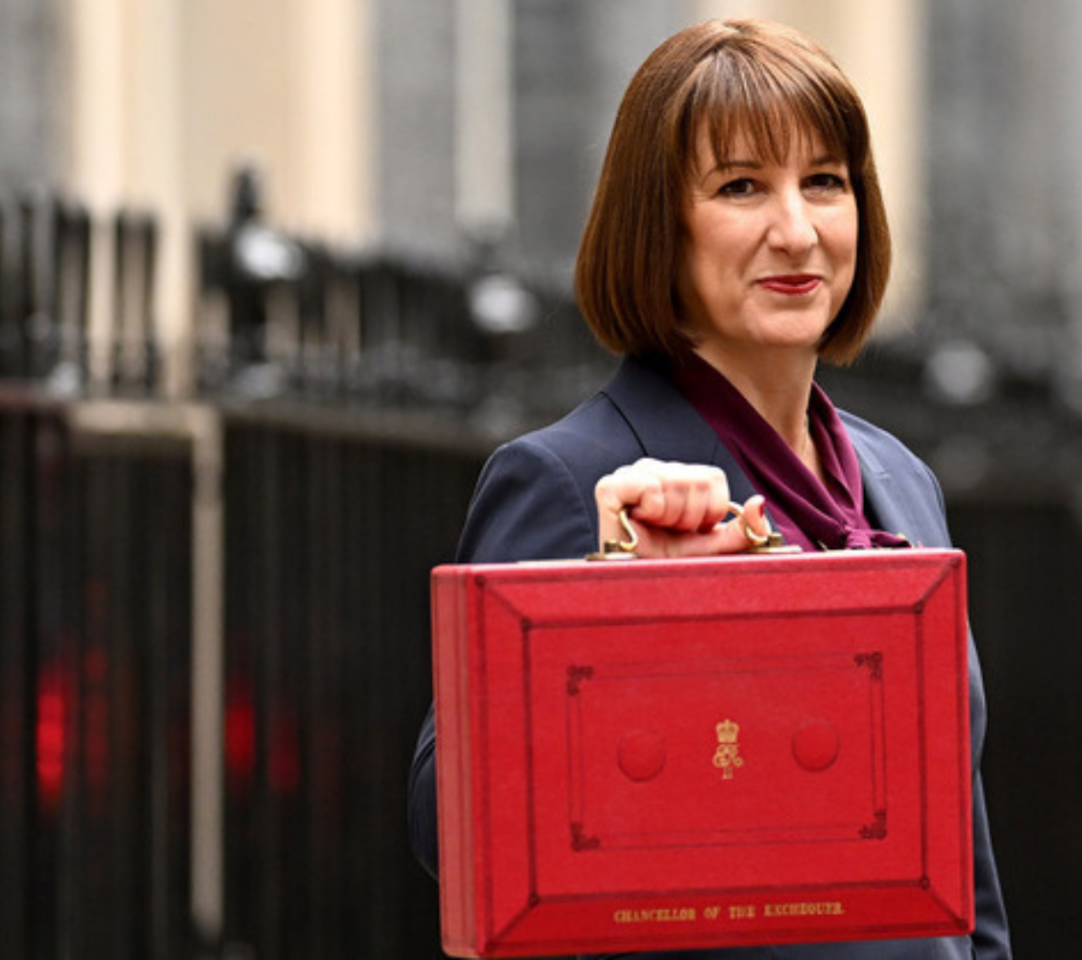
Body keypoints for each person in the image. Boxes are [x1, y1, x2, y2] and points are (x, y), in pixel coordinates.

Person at [409, 18, 1012, 959]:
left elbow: (961, 870)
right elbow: (450, 831)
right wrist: (617, 602)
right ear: (661, 224)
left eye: (825, 181)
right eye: (741, 187)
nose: (798, 230)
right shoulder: (571, 478)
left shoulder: (901, 480)